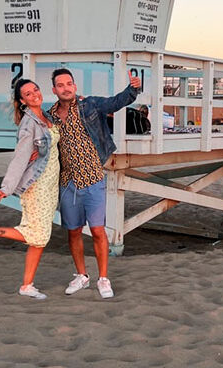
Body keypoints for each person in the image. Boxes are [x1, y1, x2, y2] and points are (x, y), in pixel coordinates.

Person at [48, 68, 142, 299]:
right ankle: (82, 276)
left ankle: (103, 279)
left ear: (75, 86)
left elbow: (114, 103)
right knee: (73, 232)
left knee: (98, 231)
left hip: (92, 178)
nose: (66, 88)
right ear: (54, 90)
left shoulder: (89, 105)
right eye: (61, 85)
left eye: (69, 83)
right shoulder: (49, 115)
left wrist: (133, 90)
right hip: (68, 182)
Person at [0, 79, 60, 300]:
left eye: (35, 89)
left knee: (39, 238)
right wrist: (6, 188)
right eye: (28, 93)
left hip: (50, 185)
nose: (34, 94)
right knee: (37, 234)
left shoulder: (46, 116)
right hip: (37, 186)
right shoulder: (29, 124)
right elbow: (20, 158)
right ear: (22, 101)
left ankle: (27, 286)